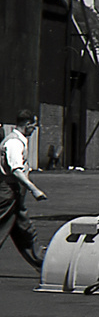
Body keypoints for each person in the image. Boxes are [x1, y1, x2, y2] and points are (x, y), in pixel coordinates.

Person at [0, 110, 46, 269]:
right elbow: (16, 170)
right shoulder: (14, 143)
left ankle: (44, 263)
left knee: (24, 230)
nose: (35, 128)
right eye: (34, 125)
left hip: (15, 193)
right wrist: (34, 189)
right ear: (27, 124)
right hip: (8, 191)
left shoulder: (18, 140)